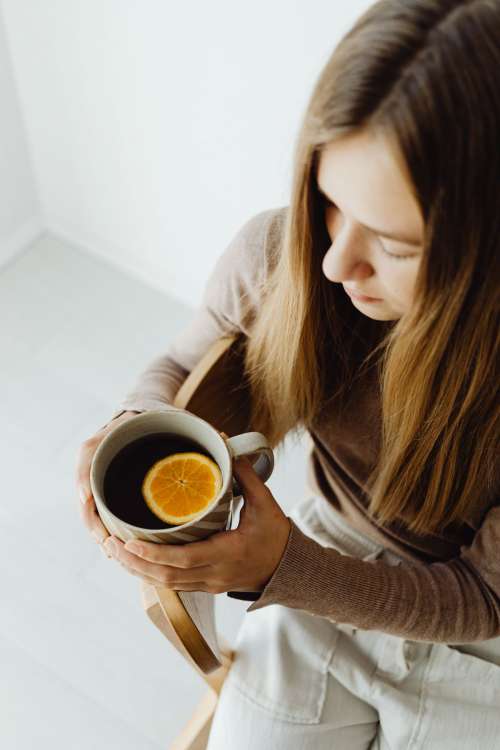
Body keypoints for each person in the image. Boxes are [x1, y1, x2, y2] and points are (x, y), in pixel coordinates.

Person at [76, 0, 500, 747]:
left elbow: (480, 595)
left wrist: (286, 566)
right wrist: (131, 426)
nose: (337, 263)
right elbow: (183, 364)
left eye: (396, 245)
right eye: (331, 203)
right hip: (323, 555)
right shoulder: (281, 258)